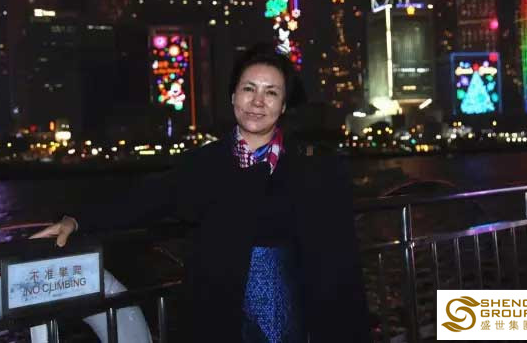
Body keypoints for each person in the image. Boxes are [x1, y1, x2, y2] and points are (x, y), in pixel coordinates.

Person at [33, 43, 370, 342]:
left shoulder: (314, 170)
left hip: (292, 325)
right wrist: (76, 221)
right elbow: (142, 200)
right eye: (248, 88)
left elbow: (341, 269)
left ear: (282, 106)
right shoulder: (201, 165)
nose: (257, 101)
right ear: (233, 96)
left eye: (271, 93)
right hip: (215, 324)